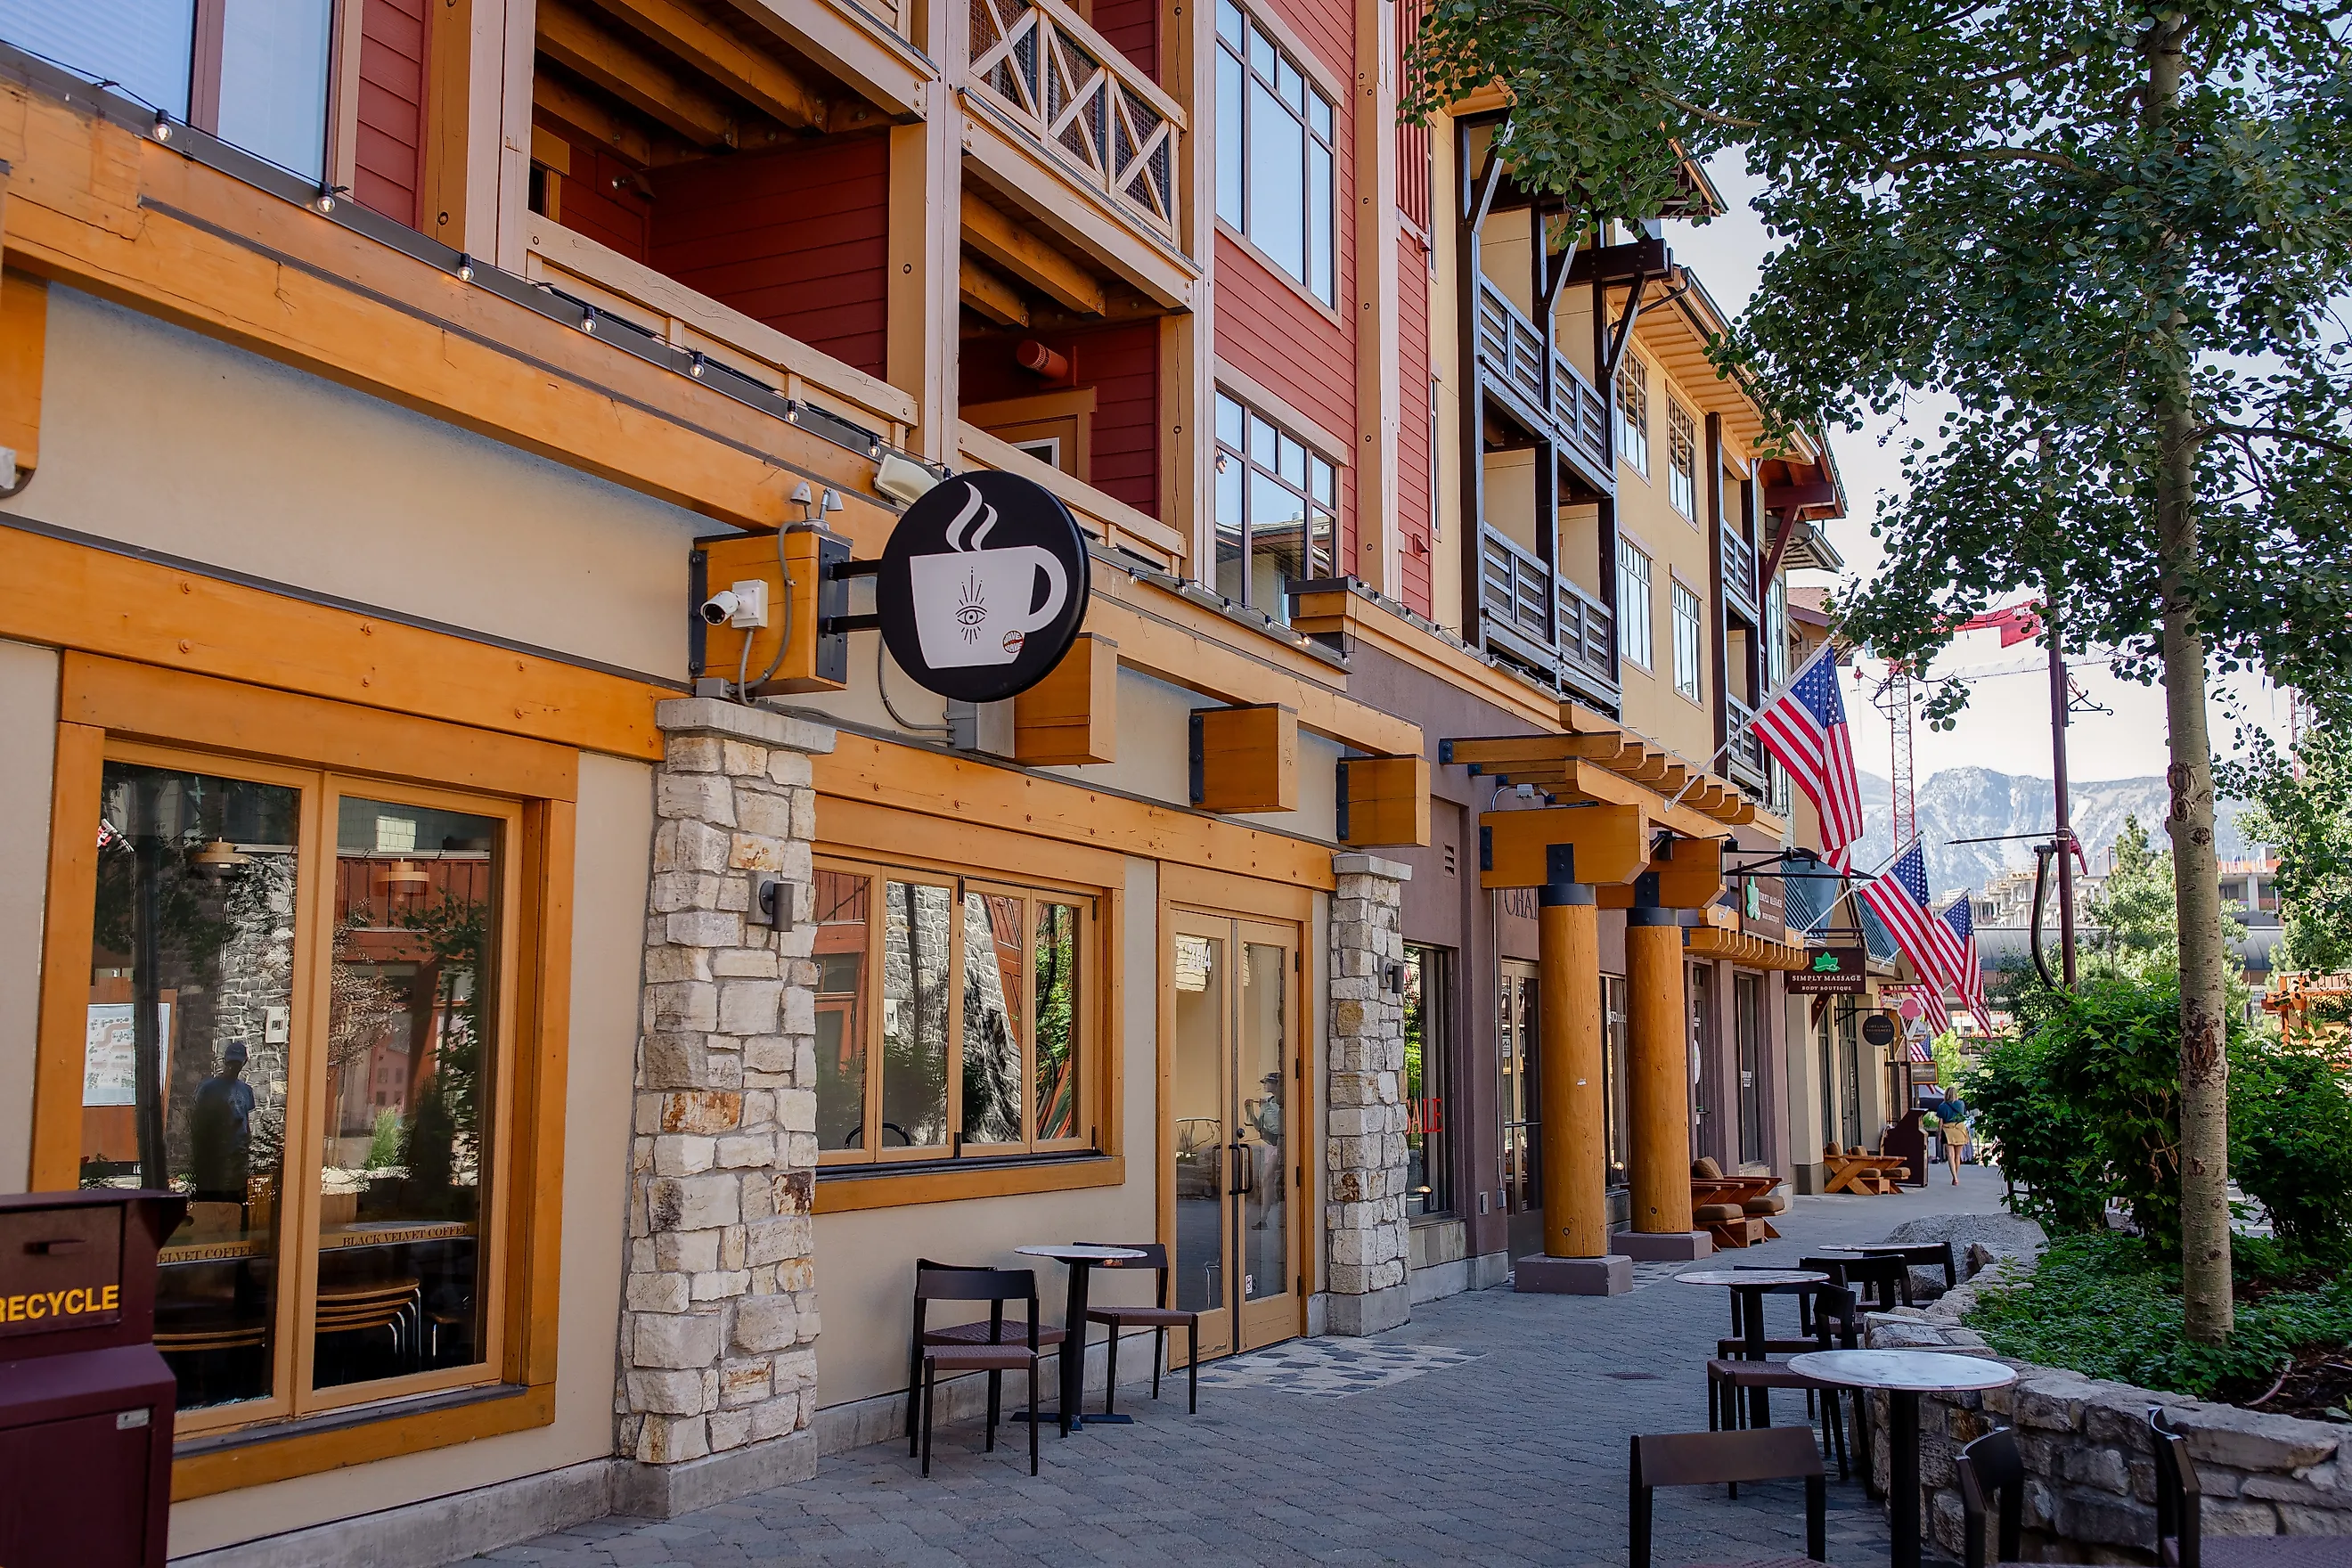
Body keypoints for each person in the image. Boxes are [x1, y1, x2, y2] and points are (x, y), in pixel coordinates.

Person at [188, 1039, 257, 1205]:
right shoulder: (208, 1087)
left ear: (244, 1063)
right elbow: (198, 1118)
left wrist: (247, 1145)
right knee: (212, 1198)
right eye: (231, 1062)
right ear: (225, 1061)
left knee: (234, 1199)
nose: (233, 1067)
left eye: (237, 1063)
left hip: (237, 1153)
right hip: (213, 1152)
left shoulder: (246, 1091)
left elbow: (247, 1122)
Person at [1935, 1090, 1971, 1183]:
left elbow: (1941, 1122)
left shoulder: (1942, 1106)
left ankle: (1955, 1177)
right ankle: (1956, 1176)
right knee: (1957, 1155)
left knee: (1950, 1155)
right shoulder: (1961, 1104)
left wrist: (1939, 1134)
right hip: (1960, 1129)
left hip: (1948, 1131)